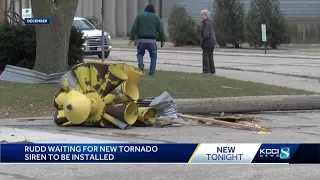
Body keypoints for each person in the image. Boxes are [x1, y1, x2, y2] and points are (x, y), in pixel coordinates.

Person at [130, 4, 165, 76]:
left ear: (145, 10)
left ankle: (140, 64)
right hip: (152, 40)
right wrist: (162, 40)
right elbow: (161, 30)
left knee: (140, 53)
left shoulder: (139, 16)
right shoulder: (156, 17)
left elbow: (134, 27)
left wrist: (132, 38)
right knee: (153, 56)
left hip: (141, 39)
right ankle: (151, 72)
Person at [200, 9, 217, 75]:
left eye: (203, 15)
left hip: (208, 42)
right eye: (201, 15)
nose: (201, 16)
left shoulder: (207, 23)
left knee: (205, 56)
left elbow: (206, 35)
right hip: (211, 42)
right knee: (210, 56)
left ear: (206, 16)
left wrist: (202, 41)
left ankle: (206, 71)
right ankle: (212, 71)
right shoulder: (207, 23)